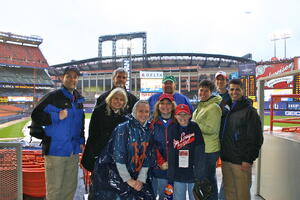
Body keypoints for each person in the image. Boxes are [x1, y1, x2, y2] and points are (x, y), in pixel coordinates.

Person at [31, 67, 85, 200]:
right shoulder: (53, 96)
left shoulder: (78, 99)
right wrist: (56, 116)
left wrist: (81, 141)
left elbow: (80, 124)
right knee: (55, 191)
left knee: (69, 189)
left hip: (72, 152)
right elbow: (36, 115)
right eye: (69, 76)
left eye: (75, 77)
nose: (72, 79)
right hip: (56, 151)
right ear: (63, 78)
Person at [90, 100, 155, 200]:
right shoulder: (123, 128)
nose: (144, 114)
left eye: (146, 111)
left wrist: (141, 179)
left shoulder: (149, 130)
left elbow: (147, 156)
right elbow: (118, 156)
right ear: (134, 112)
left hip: (137, 176)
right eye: (140, 111)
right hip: (115, 174)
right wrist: (129, 180)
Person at [220, 79, 263, 200]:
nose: (234, 92)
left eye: (237, 89)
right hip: (226, 159)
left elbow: (256, 138)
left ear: (243, 91)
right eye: (232, 89)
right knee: (229, 193)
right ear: (228, 90)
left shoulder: (250, 112)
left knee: (242, 195)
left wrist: (248, 159)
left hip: (241, 161)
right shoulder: (226, 108)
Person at [81, 87, 128, 172]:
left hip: (115, 157)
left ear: (124, 102)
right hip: (98, 154)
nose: (118, 101)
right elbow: (93, 135)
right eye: (116, 98)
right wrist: (96, 155)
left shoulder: (124, 116)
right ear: (110, 99)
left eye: (121, 99)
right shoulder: (99, 112)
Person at [167, 104, 206, 200]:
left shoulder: (195, 127)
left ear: (190, 115)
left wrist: (199, 172)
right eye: (180, 114)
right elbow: (171, 152)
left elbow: (200, 150)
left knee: (195, 197)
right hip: (178, 172)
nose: (183, 117)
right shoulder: (172, 128)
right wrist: (171, 174)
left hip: (193, 172)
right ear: (175, 116)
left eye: (185, 114)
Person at [192, 79, 222, 200]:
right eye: (201, 90)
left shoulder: (213, 107)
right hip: (202, 148)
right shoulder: (202, 106)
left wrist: (194, 124)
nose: (203, 93)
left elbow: (212, 129)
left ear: (211, 92)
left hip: (209, 149)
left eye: (206, 91)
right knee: (205, 179)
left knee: (208, 180)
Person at [150, 93, 177, 199]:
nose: (165, 106)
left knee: (170, 196)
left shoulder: (178, 123)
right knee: (159, 194)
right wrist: (160, 161)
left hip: (173, 168)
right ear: (158, 106)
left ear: (173, 106)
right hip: (158, 168)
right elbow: (151, 145)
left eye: (168, 103)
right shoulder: (152, 123)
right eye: (162, 103)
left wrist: (172, 162)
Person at [214, 71, 229, 200]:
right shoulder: (212, 97)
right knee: (211, 171)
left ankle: (221, 197)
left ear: (226, 81)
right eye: (218, 80)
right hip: (213, 140)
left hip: (227, 141)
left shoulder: (232, 96)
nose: (220, 82)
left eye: (222, 79)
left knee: (227, 173)